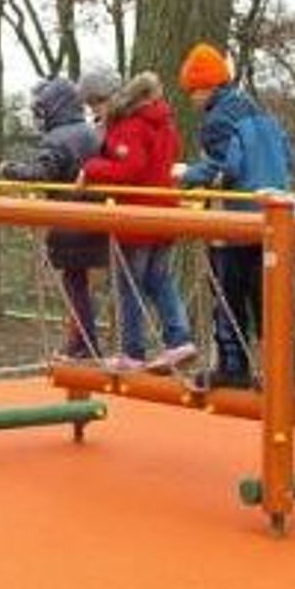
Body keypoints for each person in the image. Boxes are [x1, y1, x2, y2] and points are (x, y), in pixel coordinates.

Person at [176, 42, 294, 389]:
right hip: (274, 216)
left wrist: (187, 175)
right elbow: (288, 155)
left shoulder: (217, 120)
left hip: (238, 220)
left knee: (228, 294)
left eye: (193, 92)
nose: (192, 100)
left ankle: (233, 364)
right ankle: (287, 367)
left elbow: (226, 166)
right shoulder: (257, 111)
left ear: (207, 87)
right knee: (271, 298)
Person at [79, 72, 197, 374]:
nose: (95, 111)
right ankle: (179, 339)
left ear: (117, 99)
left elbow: (129, 168)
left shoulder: (129, 126)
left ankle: (133, 351)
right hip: (163, 215)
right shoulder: (165, 125)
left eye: (97, 104)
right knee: (159, 280)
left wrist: (91, 168)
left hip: (137, 217)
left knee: (129, 284)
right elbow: (170, 157)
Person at [0, 78, 107, 358]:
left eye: (42, 110)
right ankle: (83, 341)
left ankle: (85, 343)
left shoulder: (58, 139)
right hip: (95, 217)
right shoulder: (90, 133)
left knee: (75, 284)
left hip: (71, 220)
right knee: (81, 285)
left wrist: (11, 170)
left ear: (55, 108)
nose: (39, 118)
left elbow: (43, 172)